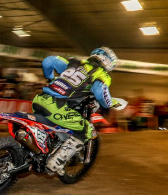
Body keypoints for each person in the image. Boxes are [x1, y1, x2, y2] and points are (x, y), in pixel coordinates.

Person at [32, 46, 120, 175]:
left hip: (39, 99)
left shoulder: (74, 62)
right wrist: (109, 103)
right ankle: (55, 163)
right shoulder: (101, 73)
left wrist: (50, 78)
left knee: (54, 125)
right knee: (86, 129)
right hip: (56, 107)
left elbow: (48, 61)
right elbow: (99, 92)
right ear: (107, 62)